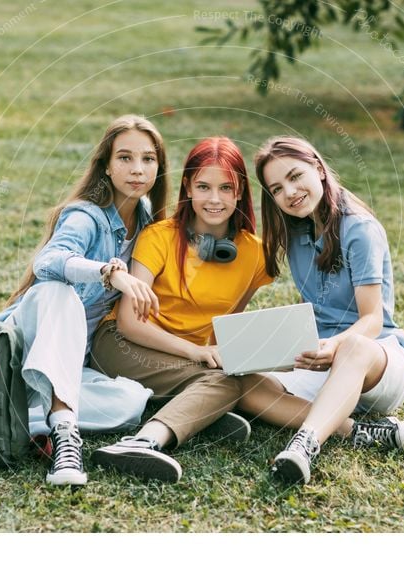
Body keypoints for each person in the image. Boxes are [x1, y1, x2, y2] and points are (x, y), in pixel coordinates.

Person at [0, 114, 169, 486]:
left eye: (148, 159)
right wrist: (108, 271)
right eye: (125, 158)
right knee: (60, 292)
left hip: (65, 367)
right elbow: (49, 261)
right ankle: (66, 436)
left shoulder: (147, 220)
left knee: (131, 401)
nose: (137, 169)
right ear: (105, 165)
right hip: (24, 344)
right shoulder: (85, 215)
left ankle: (13, 414)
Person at [88, 136, 273, 483]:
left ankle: (347, 427)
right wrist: (196, 351)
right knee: (224, 382)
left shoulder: (255, 253)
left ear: (240, 192)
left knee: (245, 379)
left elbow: (226, 326)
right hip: (121, 344)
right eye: (203, 186)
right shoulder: (159, 236)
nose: (214, 199)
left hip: (183, 360)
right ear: (187, 186)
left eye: (225, 188)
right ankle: (143, 442)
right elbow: (129, 322)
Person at [237, 136, 404, 485]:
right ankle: (356, 431)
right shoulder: (295, 233)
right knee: (240, 382)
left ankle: (305, 445)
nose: (289, 191)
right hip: (324, 366)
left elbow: (372, 320)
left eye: (295, 176)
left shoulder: (359, 229)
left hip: (375, 365)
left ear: (318, 168)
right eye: (277, 188)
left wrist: (334, 346)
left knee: (353, 347)